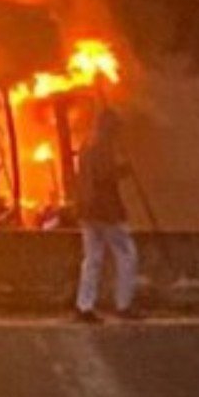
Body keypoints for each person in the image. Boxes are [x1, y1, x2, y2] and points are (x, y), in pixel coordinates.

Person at [74, 107, 140, 322]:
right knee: (127, 254)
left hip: (87, 210)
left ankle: (84, 306)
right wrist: (123, 170)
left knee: (92, 258)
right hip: (106, 210)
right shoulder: (102, 145)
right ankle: (124, 304)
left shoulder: (86, 144)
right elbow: (103, 176)